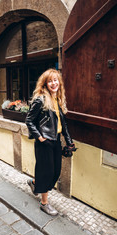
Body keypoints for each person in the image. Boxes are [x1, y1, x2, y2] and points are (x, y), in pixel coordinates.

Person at [25, 68, 75, 216]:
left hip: (56, 141)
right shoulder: (41, 99)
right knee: (47, 173)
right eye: (50, 81)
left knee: (56, 171)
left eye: (55, 80)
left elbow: (63, 124)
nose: (54, 83)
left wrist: (69, 142)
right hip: (44, 142)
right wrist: (40, 137)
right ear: (45, 84)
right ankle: (44, 203)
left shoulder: (57, 99)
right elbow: (29, 120)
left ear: (59, 82)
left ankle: (35, 183)